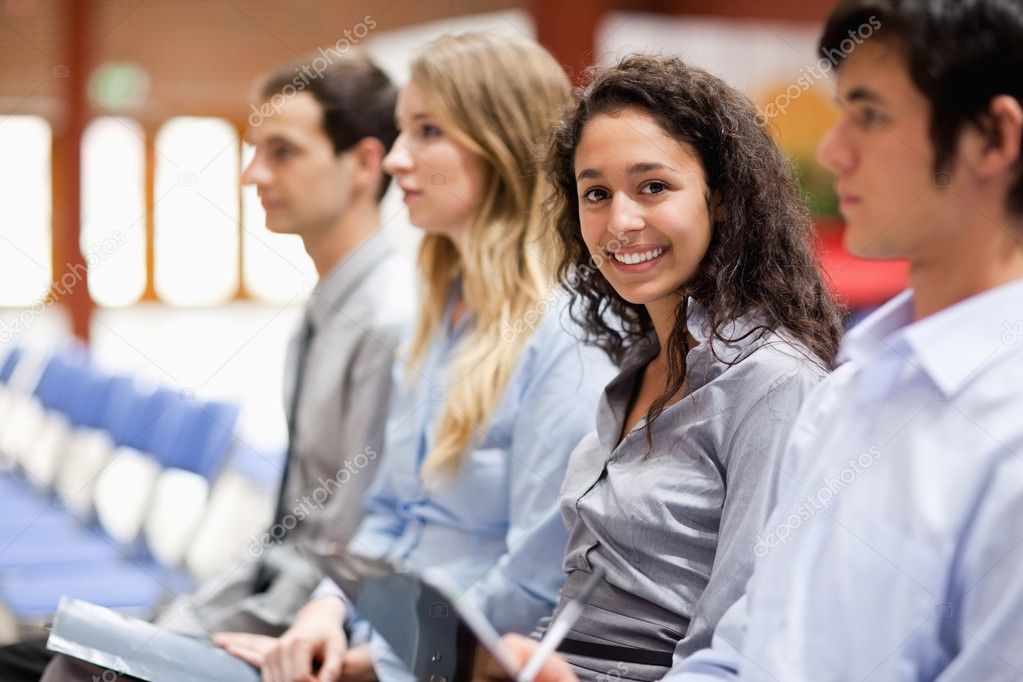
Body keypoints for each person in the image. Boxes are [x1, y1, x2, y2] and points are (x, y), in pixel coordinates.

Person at [508, 0, 1023, 679]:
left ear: (990, 139)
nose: (834, 150)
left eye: (869, 114)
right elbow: (747, 646)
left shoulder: (792, 382)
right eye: (594, 192)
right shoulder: (851, 391)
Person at [213, 32, 619, 682]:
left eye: (427, 131)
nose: (398, 160)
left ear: (502, 144)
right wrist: (325, 610)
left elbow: (534, 577)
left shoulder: (566, 332)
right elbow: (384, 515)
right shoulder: (441, 313)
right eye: (402, 131)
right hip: (379, 647)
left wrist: (367, 661)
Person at [27, 51, 414, 682]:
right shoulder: (328, 307)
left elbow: (346, 550)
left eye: (282, 151)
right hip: (262, 600)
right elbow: (289, 529)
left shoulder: (388, 321)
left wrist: (189, 635)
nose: (252, 174)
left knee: (70, 671)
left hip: (308, 633)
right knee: (39, 655)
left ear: (365, 164)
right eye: (254, 149)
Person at [502, 54, 841, 682]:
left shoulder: (773, 382)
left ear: (721, 198)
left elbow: (744, 642)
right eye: (596, 193)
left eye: (653, 186)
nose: (621, 221)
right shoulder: (635, 367)